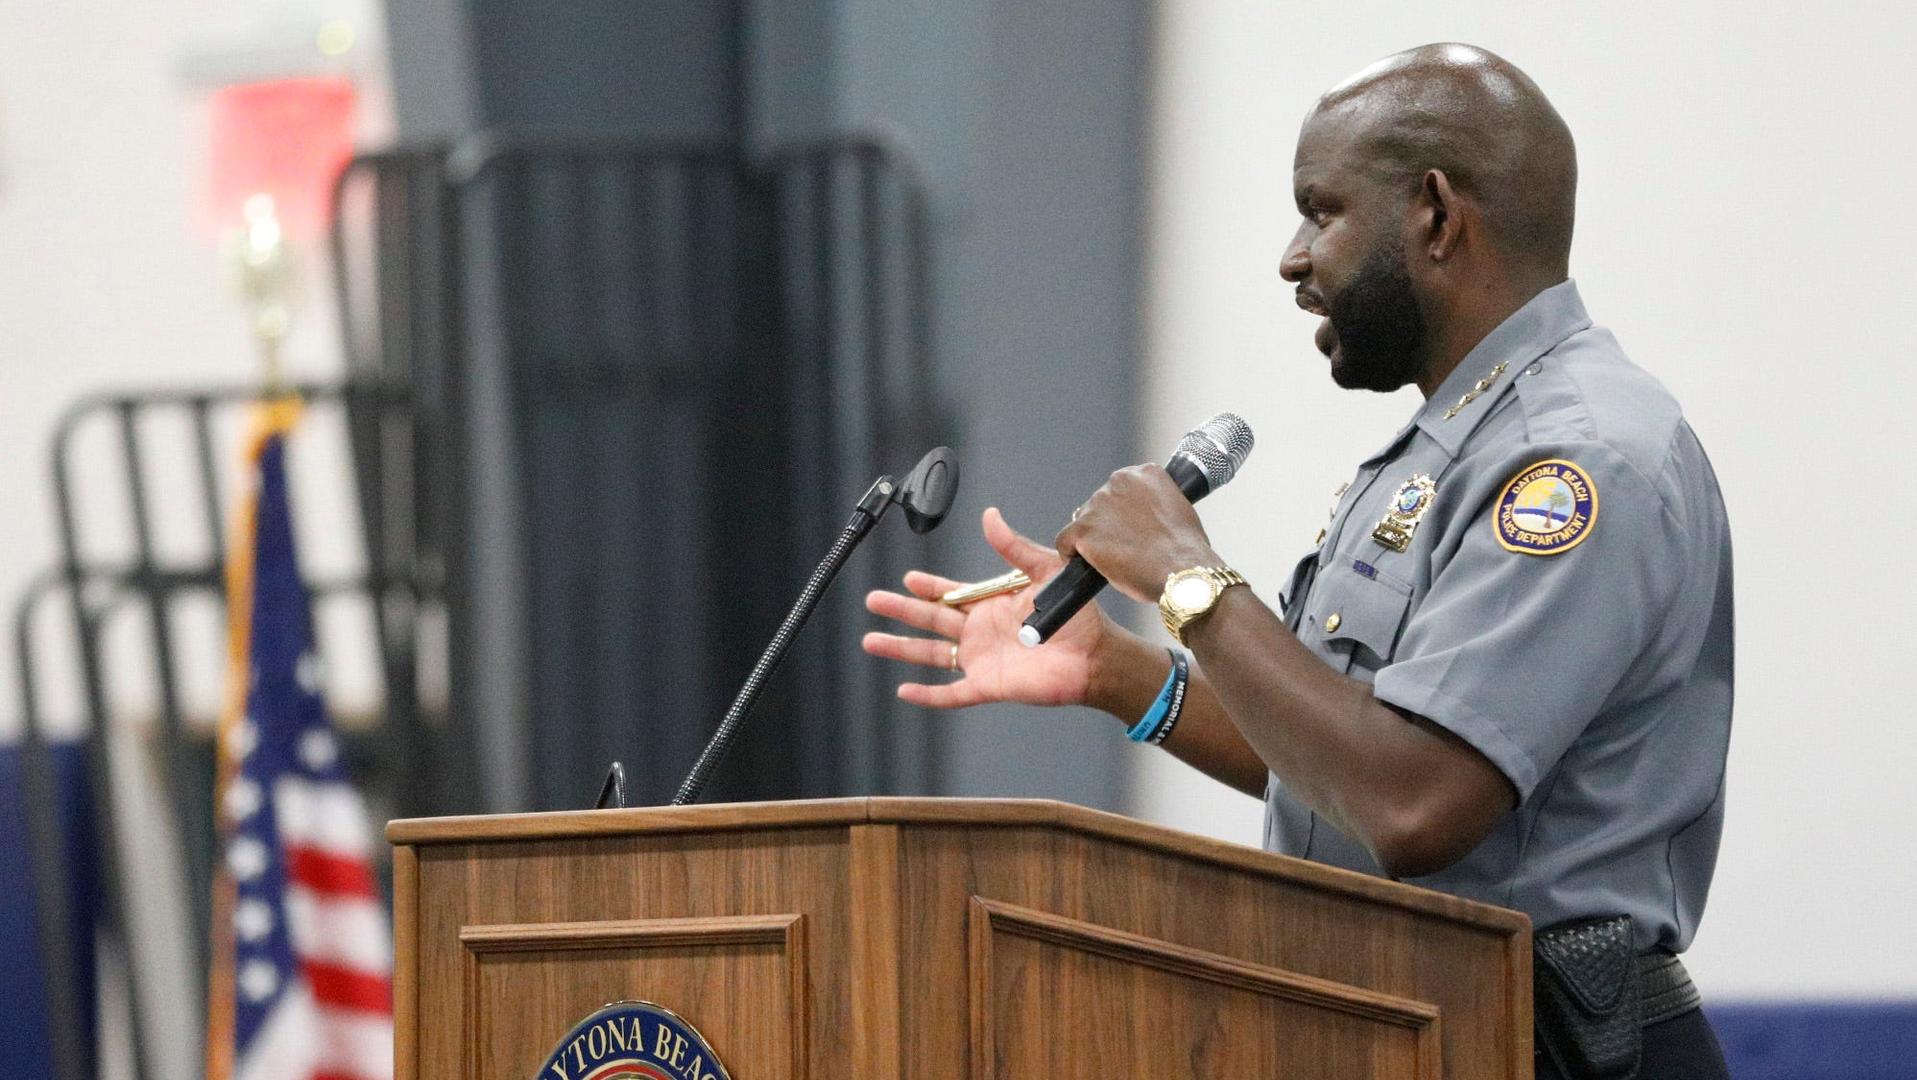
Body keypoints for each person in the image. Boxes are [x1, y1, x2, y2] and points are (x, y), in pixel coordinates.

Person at [863, 43, 1732, 1080]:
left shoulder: (1576, 461)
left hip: (1543, 1046)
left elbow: (1416, 805)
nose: (1291, 257)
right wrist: (1120, 672)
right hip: (1411, 1031)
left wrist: (1190, 579)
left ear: (1437, 215)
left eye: (1322, 212)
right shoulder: (1446, 450)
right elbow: (1342, 761)